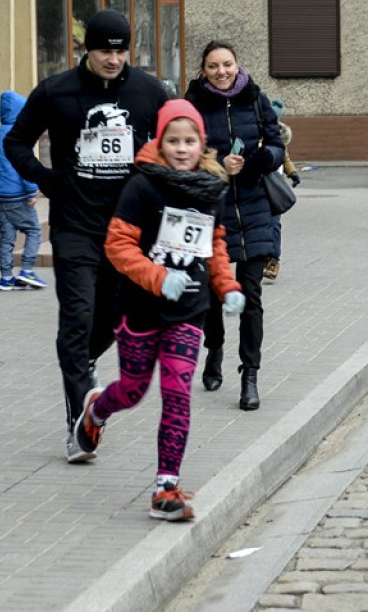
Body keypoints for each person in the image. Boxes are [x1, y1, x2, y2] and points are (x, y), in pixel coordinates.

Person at [3, 8, 170, 462]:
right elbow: (15, 143)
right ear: (86, 50)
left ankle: (83, 364)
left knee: (115, 320)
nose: (113, 59)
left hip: (129, 230)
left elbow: (179, 143)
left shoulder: (149, 92)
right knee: (76, 319)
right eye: (104, 51)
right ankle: (80, 423)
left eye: (120, 51)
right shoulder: (56, 91)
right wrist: (47, 179)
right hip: (75, 224)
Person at [73, 99, 245, 521]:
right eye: (174, 140)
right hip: (140, 309)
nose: (182, 148)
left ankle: (166, 488)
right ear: (160, 141)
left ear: (202, 143)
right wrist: (157, 277)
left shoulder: (211, 188)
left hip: (189, 310)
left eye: (190, 141)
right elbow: (117, 245)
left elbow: (215, 246)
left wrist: (227, 286)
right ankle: (96, 409)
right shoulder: (142, 186)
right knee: (132, 391)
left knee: (177, 392)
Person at [185, 40, 285, 411]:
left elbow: (277, 146)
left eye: (227, 64)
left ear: (237, 65)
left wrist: (259, 159)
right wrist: (216, 166)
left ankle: (250, 375)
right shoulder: (191, 104)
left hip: (255, 208)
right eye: (213, 66)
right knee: (212, 292)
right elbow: (181, 153)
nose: (221, 72)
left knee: (251, 296)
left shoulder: (256, 99)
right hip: (212, 211)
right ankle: (215, 347)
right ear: (203, 70)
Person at [0, 90, 46, 291]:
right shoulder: (18, 136)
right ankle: (27, 270)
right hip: (17, 195)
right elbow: (23, 165)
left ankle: (6, 277)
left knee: (7, 236)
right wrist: (32, 190)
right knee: (34, 230)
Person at [263, 98, 300, 282]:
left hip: (275, 189)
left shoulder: (277, 137)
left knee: (274, 224)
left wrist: (293, 173)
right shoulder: (255, 134)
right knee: (262, 225)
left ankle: (273, 260)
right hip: (258, 187)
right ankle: (262, 257)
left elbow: (285, 158)